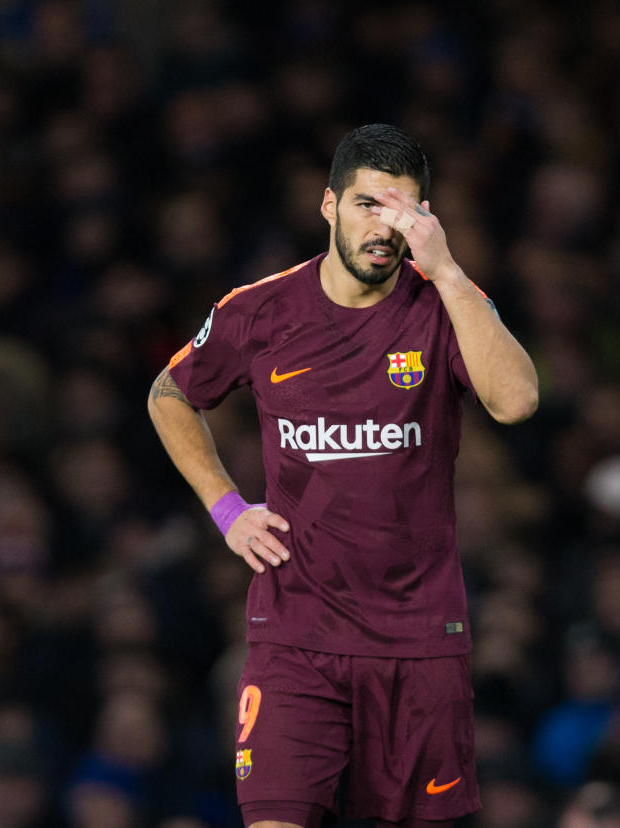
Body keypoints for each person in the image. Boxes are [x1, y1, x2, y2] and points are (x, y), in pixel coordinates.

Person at [147, 124, 539, 828]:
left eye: (404, 210)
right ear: (327, 206)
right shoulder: (260, 309)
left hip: (419, 639)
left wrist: (448, 271)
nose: (384, 226)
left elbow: (516, 401)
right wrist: (226, 508)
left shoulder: (444, 305)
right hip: (295, 635)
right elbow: (169, 394)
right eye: (367, 205)